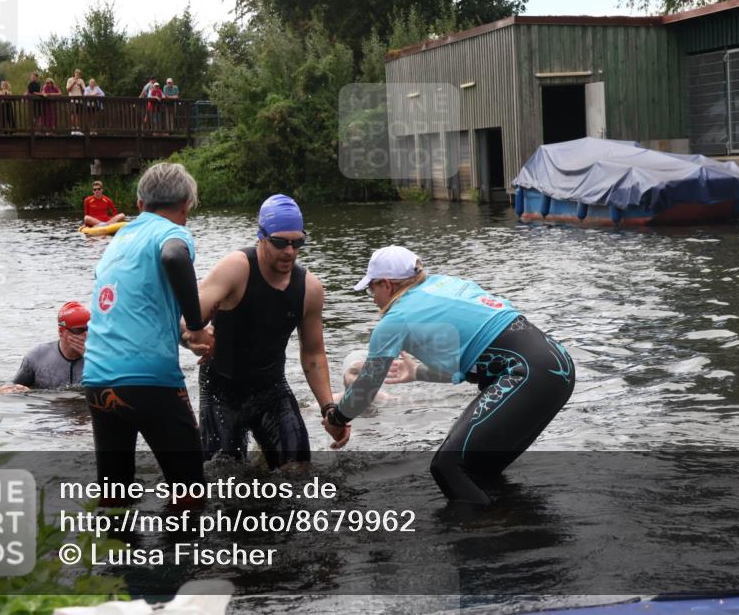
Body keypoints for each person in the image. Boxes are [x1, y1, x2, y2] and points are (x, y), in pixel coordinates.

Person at [324, 246, 576, 505]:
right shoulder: (445, 285)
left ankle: (484, 532)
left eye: (371, 289)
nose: (372, 297)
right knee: (478, 471)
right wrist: (418, 372)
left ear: (386, 284)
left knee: (448, 467)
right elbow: (477, 360)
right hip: (558, 365)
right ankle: (514, 526)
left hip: (527, 374)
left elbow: (365, 389)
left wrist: (337, 418)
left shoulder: (394, 320)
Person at [188, 194, 348, 470]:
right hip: (221, 390)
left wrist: (329, 410)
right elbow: (187, 318)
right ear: (261, 236)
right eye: (280, 242)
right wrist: (192, 338)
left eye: (297, 242)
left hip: (271, 390)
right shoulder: (236, 268)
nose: (289, 251)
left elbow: (313, 354)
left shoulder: (309, 288)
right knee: (221, 474)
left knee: (298, 470)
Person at [81, 162, 210, 497]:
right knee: (190, 491)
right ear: (186, 206)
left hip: (97, 379)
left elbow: (136, 316)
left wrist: (185, 339)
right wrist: (197, 326)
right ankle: (184, 548)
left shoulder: (120, 238)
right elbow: (174, 257)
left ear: (140, 205)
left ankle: (117, 548)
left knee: (114, 493)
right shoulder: (173, 232)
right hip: (149, 382)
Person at [0, 302, 90, 393]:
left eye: (89, 329)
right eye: (79, 330)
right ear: (61, 332)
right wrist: (18, 391)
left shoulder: (99, 358)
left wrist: (90, 359)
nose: (86, 335)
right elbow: (12, 386)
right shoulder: (37, 356)